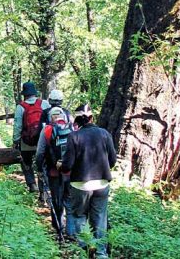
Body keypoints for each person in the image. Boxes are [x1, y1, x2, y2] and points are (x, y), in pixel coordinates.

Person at [57, 104, 116, 258]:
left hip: (80, 184)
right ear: (92, 117)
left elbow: (67, 165)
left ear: (76, 120)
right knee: (100, 219)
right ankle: (101, 253)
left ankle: (85, 249)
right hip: (102, 184)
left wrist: (60, 166)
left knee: (79, 216)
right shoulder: (104, 134)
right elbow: (112, 160)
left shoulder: (74, 136)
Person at [35, 106, 76, 241]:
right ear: (63, 116)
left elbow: (40, 153)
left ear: (50, 117)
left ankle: (59, 230)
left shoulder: (47, 130)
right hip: (70, 172)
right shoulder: (72, 129)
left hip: (54, 173)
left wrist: (40, 169)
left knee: (56, 200)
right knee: (69, 201)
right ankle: (70, 232)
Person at [13, 82, 50, 193]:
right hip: (42, 141)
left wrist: (15, 141)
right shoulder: (44, 104)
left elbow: (17, 126)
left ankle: (32, 184)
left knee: (26, 162)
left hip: (26, 143)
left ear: (24, 94)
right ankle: (43, 189)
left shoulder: (20, 107)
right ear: (34, 93)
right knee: (42, 164)